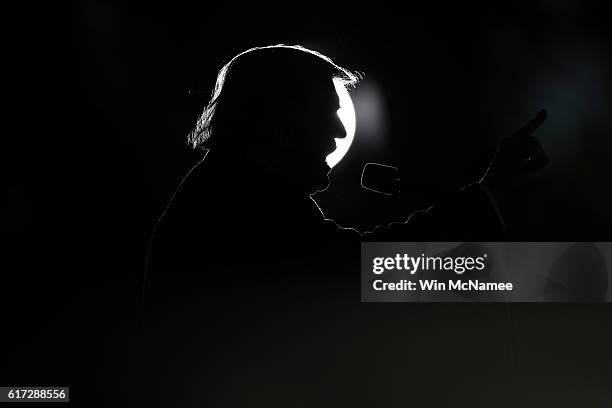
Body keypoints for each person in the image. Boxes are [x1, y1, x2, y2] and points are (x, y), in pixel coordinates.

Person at [138, 44, 549, 406]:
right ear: (283, 126)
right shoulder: (242, 202)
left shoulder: (236, 186)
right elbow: (364, 275)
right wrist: (487, 197)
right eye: (328, 117)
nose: (339, 132)